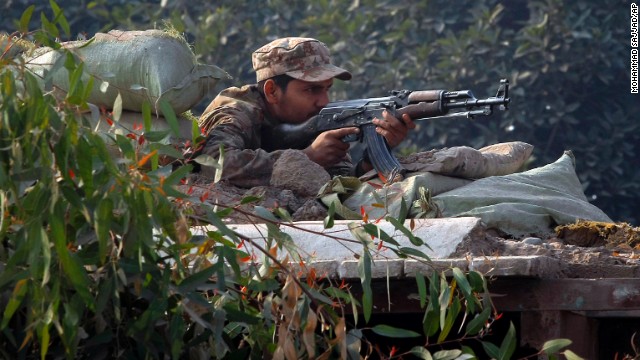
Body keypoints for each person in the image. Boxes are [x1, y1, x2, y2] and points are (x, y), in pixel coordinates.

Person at [196, 37, 415, 188]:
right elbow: (213, 164)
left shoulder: (309, 119)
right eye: (312, 89)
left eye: (327, 88)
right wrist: (307, 157)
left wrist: (373, 156)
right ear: (272, 91)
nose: (324, 101)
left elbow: (341, 180)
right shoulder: (236, 112)